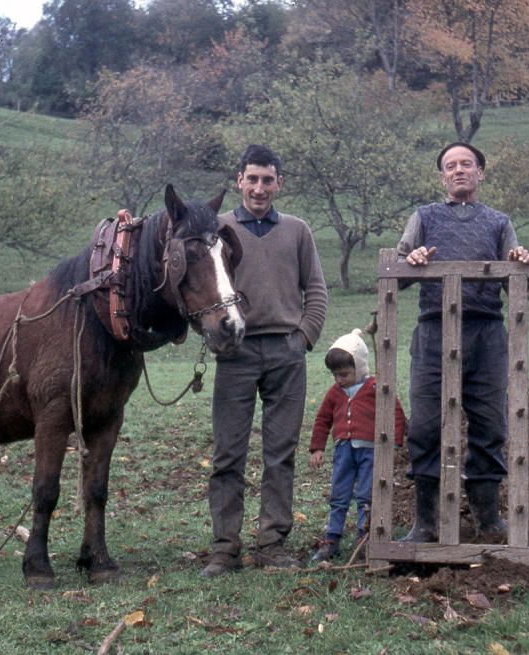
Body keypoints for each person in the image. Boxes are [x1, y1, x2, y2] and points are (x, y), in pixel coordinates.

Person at [396, 142, 529, 544]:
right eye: (450, 166)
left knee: (490, 423)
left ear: (481, 173)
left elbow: (515, 269)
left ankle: (487, 520)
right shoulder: (423, 217)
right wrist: (414, 260)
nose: (459, 171)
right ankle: (425, 523)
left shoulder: (498, 221)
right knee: (424, 425)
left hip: (486, 331)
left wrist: (519, 260)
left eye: (467, 165)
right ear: (442, 175)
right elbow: (398, 273)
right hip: (433, 330)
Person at [201, 144, 329, 577]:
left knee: (280, 452)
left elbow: (316, 289)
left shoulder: (297, 230)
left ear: (279, 183)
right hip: (234, 353)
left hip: (285, 352)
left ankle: (273, 544)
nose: (259, 188)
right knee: (227, 453)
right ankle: (225, 547)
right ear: (239, 181)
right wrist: (214, 337)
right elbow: (197, 283)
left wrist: (303, 337)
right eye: (251, 179)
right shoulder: (217, 229)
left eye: (267, 179)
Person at [308, 329, 406, 563]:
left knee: (366, 493)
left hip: (370, 451)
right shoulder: (335, 393)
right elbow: (323, 419)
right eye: (335, 376)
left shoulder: (376, 388)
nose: (339, 380)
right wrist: (317, 448)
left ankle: (365, 537)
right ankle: (332, 537)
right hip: (344, 451)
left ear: (360, 367)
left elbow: (396, 412)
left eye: (344, 374)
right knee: (339, 493)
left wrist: (395, 442)